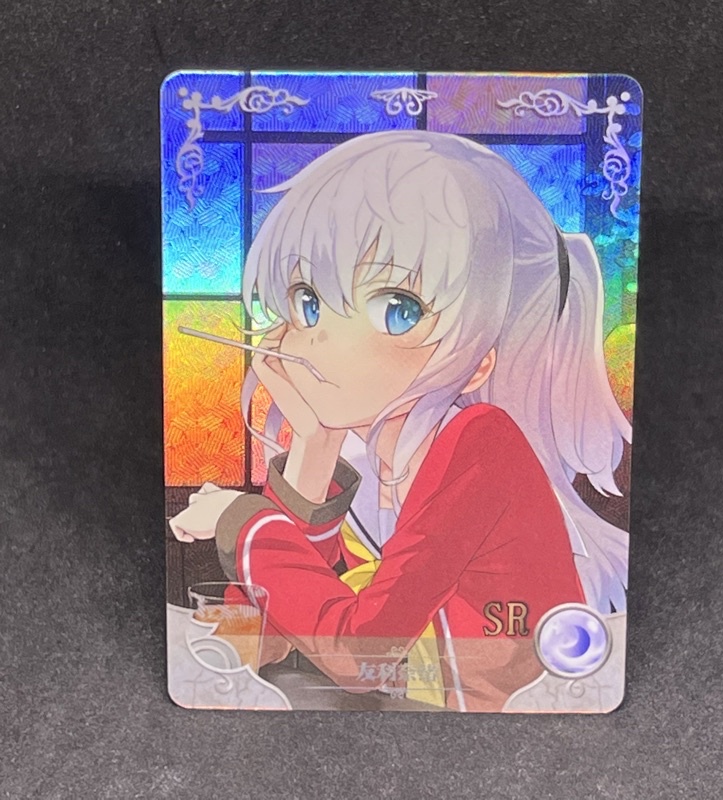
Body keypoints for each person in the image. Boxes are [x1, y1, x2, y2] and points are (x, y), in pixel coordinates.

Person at [170, 130, 631, 712]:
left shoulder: (481, 445)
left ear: (477, 360)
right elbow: (266, 640)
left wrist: (240, 518)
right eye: (309, 301)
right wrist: (314, 447)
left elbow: (362, 654)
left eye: (397, 311)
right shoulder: (363, 464)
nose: (324, 338)